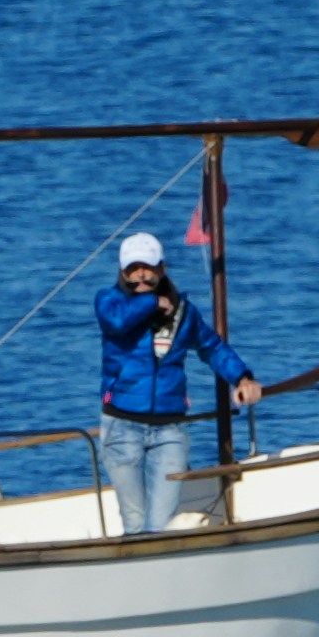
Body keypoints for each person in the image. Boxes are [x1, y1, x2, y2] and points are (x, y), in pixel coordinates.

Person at [92, 227, 251, 537]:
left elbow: (212, 348)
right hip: (121, 427)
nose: (140, 276)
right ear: (122, 272)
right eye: (132, 269)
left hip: (169, 430)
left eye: (148, 268)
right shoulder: (108, 301)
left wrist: (242, 377)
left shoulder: (184, 313)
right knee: (135, 523)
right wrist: (152, 304)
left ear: (162, 269)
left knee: (161, 525)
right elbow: (117, 322)